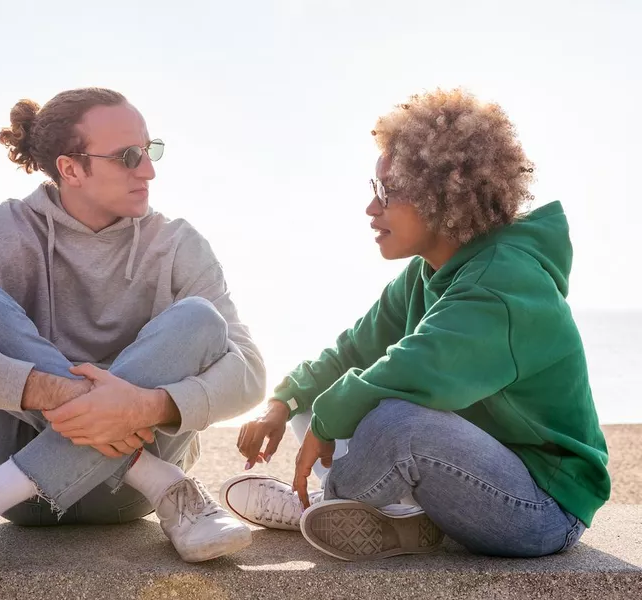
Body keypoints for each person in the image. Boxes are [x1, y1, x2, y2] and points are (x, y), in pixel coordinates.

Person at [0, 87, 266, 595]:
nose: (149, 171)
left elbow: (248, 371)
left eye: (150, 150)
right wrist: (59, 393)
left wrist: (144, 405)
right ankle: (156, 476)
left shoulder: (177, 244)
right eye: (129, 157)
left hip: (124, 502)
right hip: (22, 498)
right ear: (71, 169)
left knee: (199, 320)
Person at [220, 88, 610, 562]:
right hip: (469, 475)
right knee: (316, 397)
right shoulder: (427, 271)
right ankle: (401, 523)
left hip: (542, 509)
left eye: (389, 191)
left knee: (396, 422)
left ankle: (322, 503)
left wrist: (329, 415)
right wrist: (282, 401)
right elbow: (353, 352)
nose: (371, 208)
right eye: (374, 187)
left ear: (443, 196)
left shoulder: (504, 282)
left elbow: (416, 371)